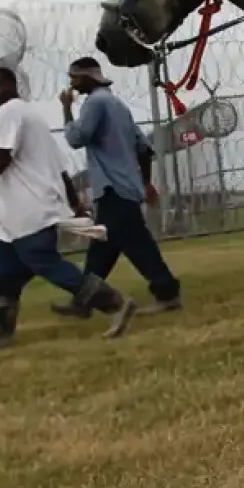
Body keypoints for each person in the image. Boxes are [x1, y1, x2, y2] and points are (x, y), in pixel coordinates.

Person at [0, 66, 136, 351]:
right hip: (16, 218)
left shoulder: (9, 112)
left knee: (46, 263)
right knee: (1, 272)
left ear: (11, 86)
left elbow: (0, 159)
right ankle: (0, 335)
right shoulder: (33, 117)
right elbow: (61, 169)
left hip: (30, 210)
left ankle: (116, 304)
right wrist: (75, 203)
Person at [60, 57, 182, 315]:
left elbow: (75, 138)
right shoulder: (118, 105)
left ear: (85, 77)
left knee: (137, 245)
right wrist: (145, 182)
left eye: (73, 78)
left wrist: (66, 109)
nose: (72, 84)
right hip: (125, 187)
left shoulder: (94, 103)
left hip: (112, 187)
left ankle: (167, 292)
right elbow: (143, 148)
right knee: (102, 248)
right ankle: (82, 302)